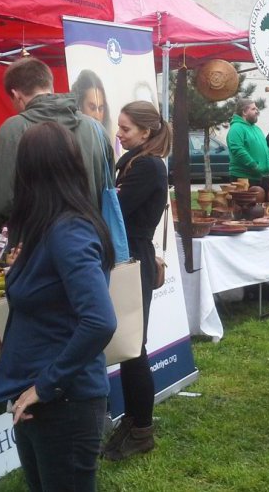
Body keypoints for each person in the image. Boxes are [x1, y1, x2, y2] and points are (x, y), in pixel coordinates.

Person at [0, 121, 116, 492]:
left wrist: (45, 386)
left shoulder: (68, 231)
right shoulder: (47, 227)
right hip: (43, 401)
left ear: (30, 172)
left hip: (65, 403)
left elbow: (99, 321)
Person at [101, 101, 171, 461]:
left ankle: (142, 428)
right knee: (129, 348)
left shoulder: (146, 166)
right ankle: (132, 418)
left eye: (126, 129)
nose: (119, 133)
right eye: (119, 127)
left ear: (146, 132)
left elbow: (114, 210)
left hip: (133, 259)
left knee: (133, 348)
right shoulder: (135, 162)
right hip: (129, 256)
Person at [0, 58, 113, 235]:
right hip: (91, 245)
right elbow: (109, 194)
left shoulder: (13, 130)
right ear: (50, 86)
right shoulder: (97, 130)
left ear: (17, 96)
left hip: (35, 249)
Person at [226, 99, 269, 187]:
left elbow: (266, 148)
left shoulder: (257, 129)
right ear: (244, 112)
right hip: (243, 178)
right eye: (253, 109)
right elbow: (237, 150)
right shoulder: (236, 128)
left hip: (260, 177)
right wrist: (254, 165)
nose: (257, 111)